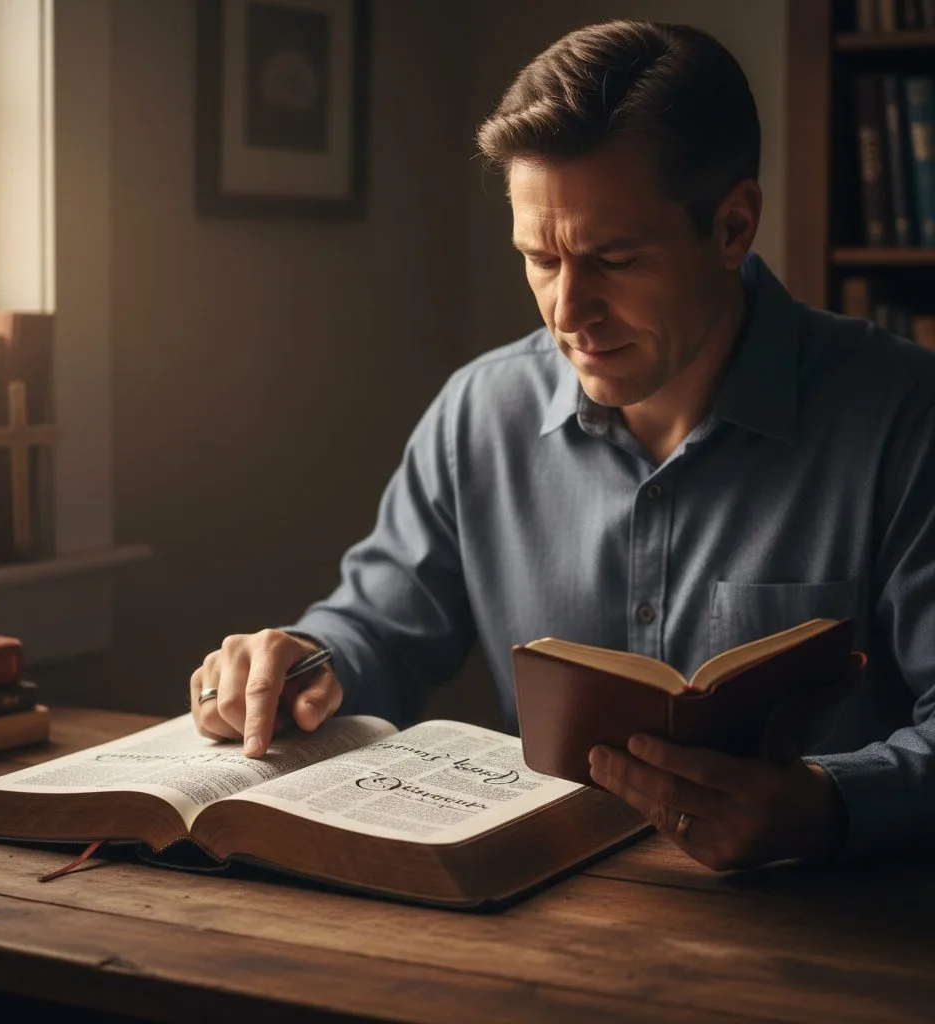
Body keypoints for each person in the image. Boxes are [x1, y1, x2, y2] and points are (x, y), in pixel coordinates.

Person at [190, 20, 935, 871]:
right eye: (538, 258)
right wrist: (302, 660)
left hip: (836, 934)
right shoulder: (479, 412)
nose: (566, 312)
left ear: (733, 227)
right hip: (537, 920)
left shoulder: (907, 418)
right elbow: (380, 633)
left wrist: (832, 803)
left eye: (612, 259)